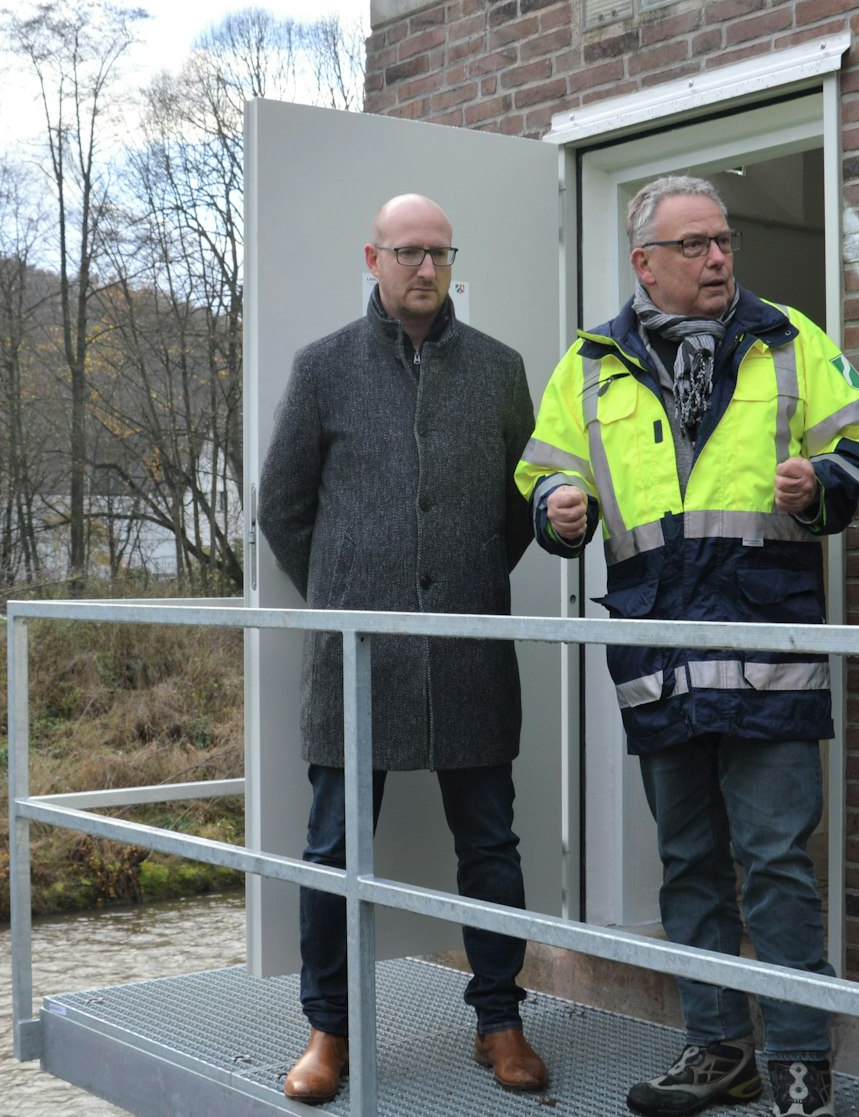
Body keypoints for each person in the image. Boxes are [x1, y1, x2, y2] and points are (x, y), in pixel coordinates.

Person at [516, 174, 859, 1117]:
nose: (718, 257)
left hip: (767, 648)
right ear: (644, 263)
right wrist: (556, 513)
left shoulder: (791, 340)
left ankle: (802, 1060)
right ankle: (716, 1048)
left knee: (776, 859)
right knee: (687, 861)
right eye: (693, 245)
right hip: (659, 656)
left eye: (723, 240)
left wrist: (823, 486)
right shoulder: (589, 364)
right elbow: (545, 473)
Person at [258, 193, 546, 1102]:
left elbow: (519, 510)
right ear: (373, 257)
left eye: (440, 253)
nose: (425, 269)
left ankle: (500, 1021)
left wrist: (454, 583)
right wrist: (350, 593)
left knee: (492, 845)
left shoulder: (501, 371)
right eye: (408, 253)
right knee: (334, 851)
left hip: (469, 650)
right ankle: (329, 1031)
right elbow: (283, 506)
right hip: (356, 660)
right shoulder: (322, 370)